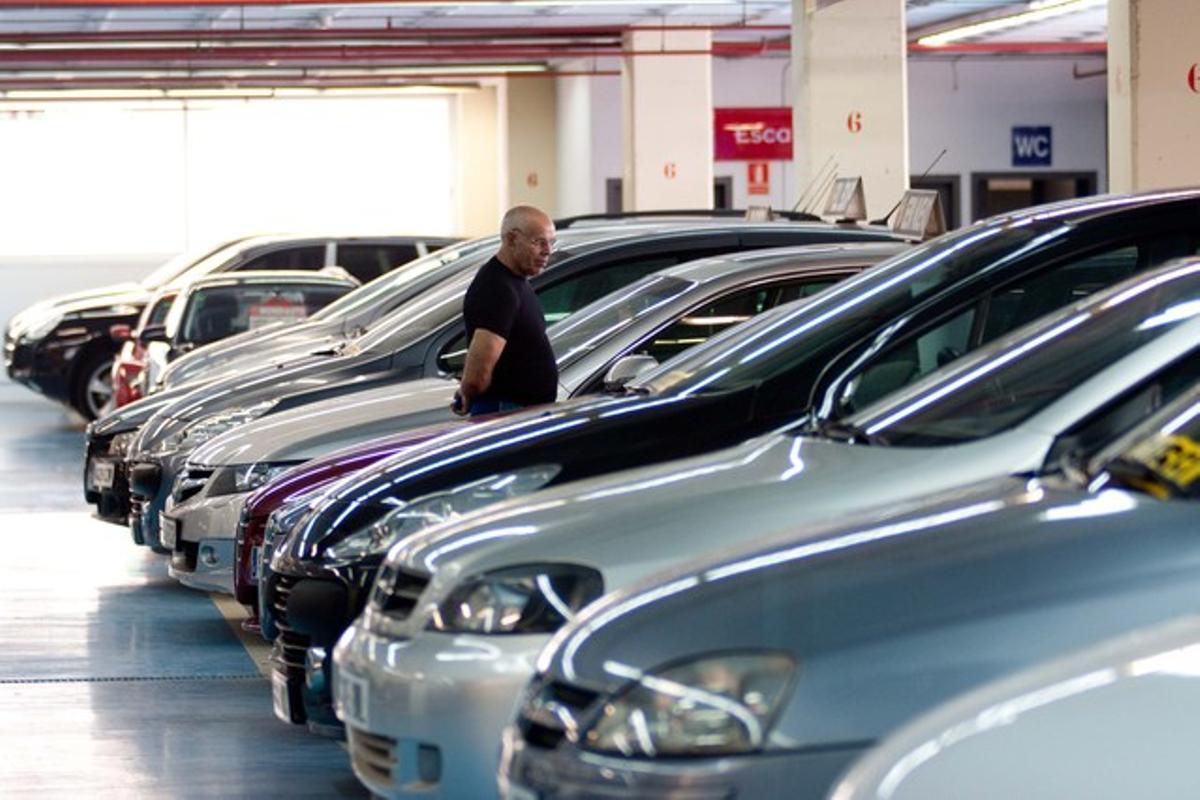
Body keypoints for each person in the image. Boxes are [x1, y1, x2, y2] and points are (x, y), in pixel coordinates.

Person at [452, 205, 558, 416]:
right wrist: (468, 391)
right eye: (539, 242)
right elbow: (479, 370)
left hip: (520, 409)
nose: (548, 251)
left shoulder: (514, 280)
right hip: (506, 412)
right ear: (511, 239)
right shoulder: (497, 287)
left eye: (551, 242)